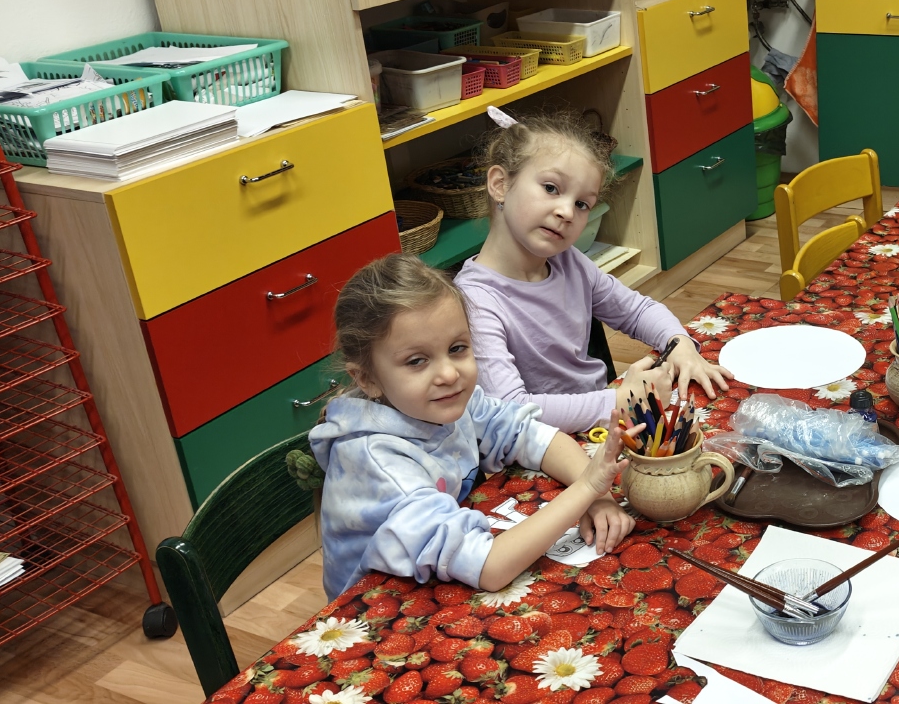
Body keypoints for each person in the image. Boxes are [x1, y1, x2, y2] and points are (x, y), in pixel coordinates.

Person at [311, 254, 638, 598]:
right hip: (379, 610)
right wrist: (586, 487)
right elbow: (489, 568)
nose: (449, 373)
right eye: (417, 361)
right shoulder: (377, 461)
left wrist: (598, 498)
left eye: (457, 348)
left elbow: (529, 435)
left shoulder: (452, 401)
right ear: (367, 379)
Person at [455, 107, 732, 433]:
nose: (567, 212)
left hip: (600, 425)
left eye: (582, 204)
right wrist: (619, 399)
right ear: (500, 184)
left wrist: (679, 344)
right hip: (540, 445)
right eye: (551, 188)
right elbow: (510, 411)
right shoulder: (473, 300)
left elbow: (637, 311)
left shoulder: (568, 261)